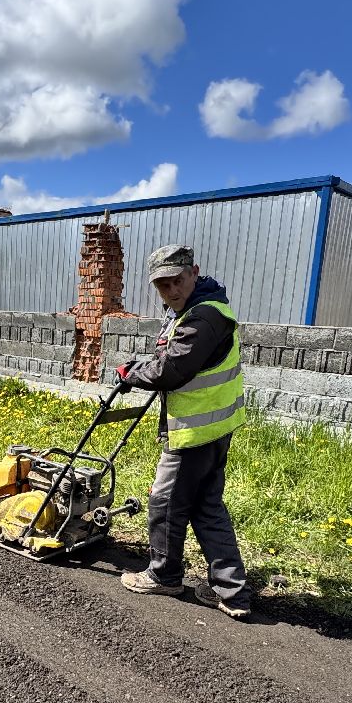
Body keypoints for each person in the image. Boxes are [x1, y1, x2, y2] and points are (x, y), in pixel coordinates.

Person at [115, 244, 252, 620]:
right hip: (214, 427)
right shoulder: (196, 310)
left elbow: (172, 370)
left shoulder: (203, 317)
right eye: (162, 285)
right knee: (206, 506)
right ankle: (232, 592)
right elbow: (170, 359)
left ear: (194, 272)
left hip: (196, 431)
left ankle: (164, 575)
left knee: (165, 502)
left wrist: (131, 373)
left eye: (177, 280)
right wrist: (143, 366)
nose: (171, 290)